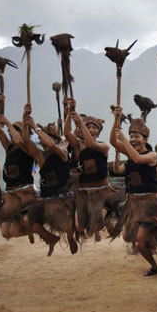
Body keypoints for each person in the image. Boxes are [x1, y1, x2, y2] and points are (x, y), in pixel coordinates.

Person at [110, 107, 157, 276]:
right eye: (131, 136)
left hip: (150, 203)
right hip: (133, 203)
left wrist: (124, 139)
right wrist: (116, 120)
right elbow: (113, 141)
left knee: (140, 240)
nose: (133, 139)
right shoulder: (130, 155)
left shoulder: (152, 155)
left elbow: (137, 158)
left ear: (145, 139)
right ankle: (154, 266)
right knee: (129, 238)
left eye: (136, 137)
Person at [19, 104, 72, 255]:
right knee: (27, 220)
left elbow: (50, 144)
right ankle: (50, 238)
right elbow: (26, 142)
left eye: (46, 140)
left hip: (65, 198)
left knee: (68, 226)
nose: (43, 144)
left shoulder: (62, 151)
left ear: (55, 140)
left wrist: (35, 127)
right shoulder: (41, 157)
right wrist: (25, 121)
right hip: (47, 198)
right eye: (41, 142)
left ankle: (70, 236)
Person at [64, 102, 112, 242]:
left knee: (95, 227)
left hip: (101, 190)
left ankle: (106, 211)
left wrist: (81, 123)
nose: (91, 130)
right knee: (79, 227)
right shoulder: (79, 145)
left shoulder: (104, 146)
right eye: (88, 127)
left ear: (99, 131)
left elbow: (91, 144)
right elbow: (67, 133)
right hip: (84, 190)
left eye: (94, 128)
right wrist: (69, 114)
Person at [0, 94, 36, 243]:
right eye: (11, 131)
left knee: (21, 224)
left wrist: (8, 123)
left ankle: (32, 228)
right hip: (10, 192)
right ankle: (30, 230)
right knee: (6, 233)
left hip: (24, 190)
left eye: (16, 130)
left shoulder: (28, 147)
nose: (11, 134)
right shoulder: (9, 147)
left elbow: (19, 140)